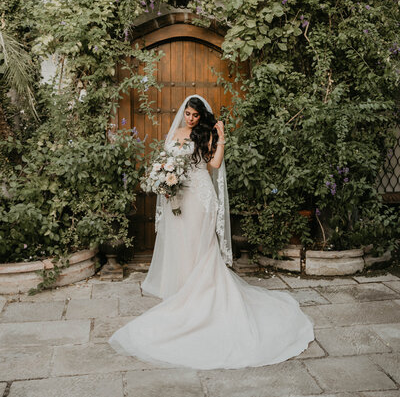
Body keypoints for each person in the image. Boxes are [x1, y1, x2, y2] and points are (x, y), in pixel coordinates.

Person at [108, 94, 314, 369]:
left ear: (201, 116)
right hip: (178, 196)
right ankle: (184, 292)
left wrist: (222, 138)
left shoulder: (204, 134)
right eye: (188, 114)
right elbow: (166, 160)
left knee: (202, 245)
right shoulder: (177, 131)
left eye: (195, 115)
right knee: (183, 244)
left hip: (202, 197)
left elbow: (214, 164)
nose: (190, 119)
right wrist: (164, 179)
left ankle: (203, 297)